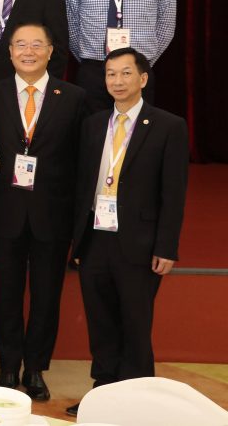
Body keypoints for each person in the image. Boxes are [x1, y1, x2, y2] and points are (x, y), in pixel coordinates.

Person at [66, 47, 188, 417]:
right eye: (110, 74)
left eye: (125, 73)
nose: (117, 81)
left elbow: (174, 193)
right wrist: (77, 240)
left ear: (143, 78)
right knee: (100, 320)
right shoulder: (93, 124)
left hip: (139, 242)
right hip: (95, 236)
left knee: (135, 324)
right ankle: (103, 395)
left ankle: (138, 403)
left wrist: (166, 246)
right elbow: (82, 184)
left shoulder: (168, 126)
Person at [0, 23, 87, 402]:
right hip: (5, 211)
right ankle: (9, 366)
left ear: (50, 51)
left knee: (46, 296)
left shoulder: (73, 97)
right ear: (9, 52)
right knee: (6, 294)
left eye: (36, 45)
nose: (28, 51)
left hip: (52, 213)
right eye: (20, 45)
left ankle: (36, 368)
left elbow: (81, 162)